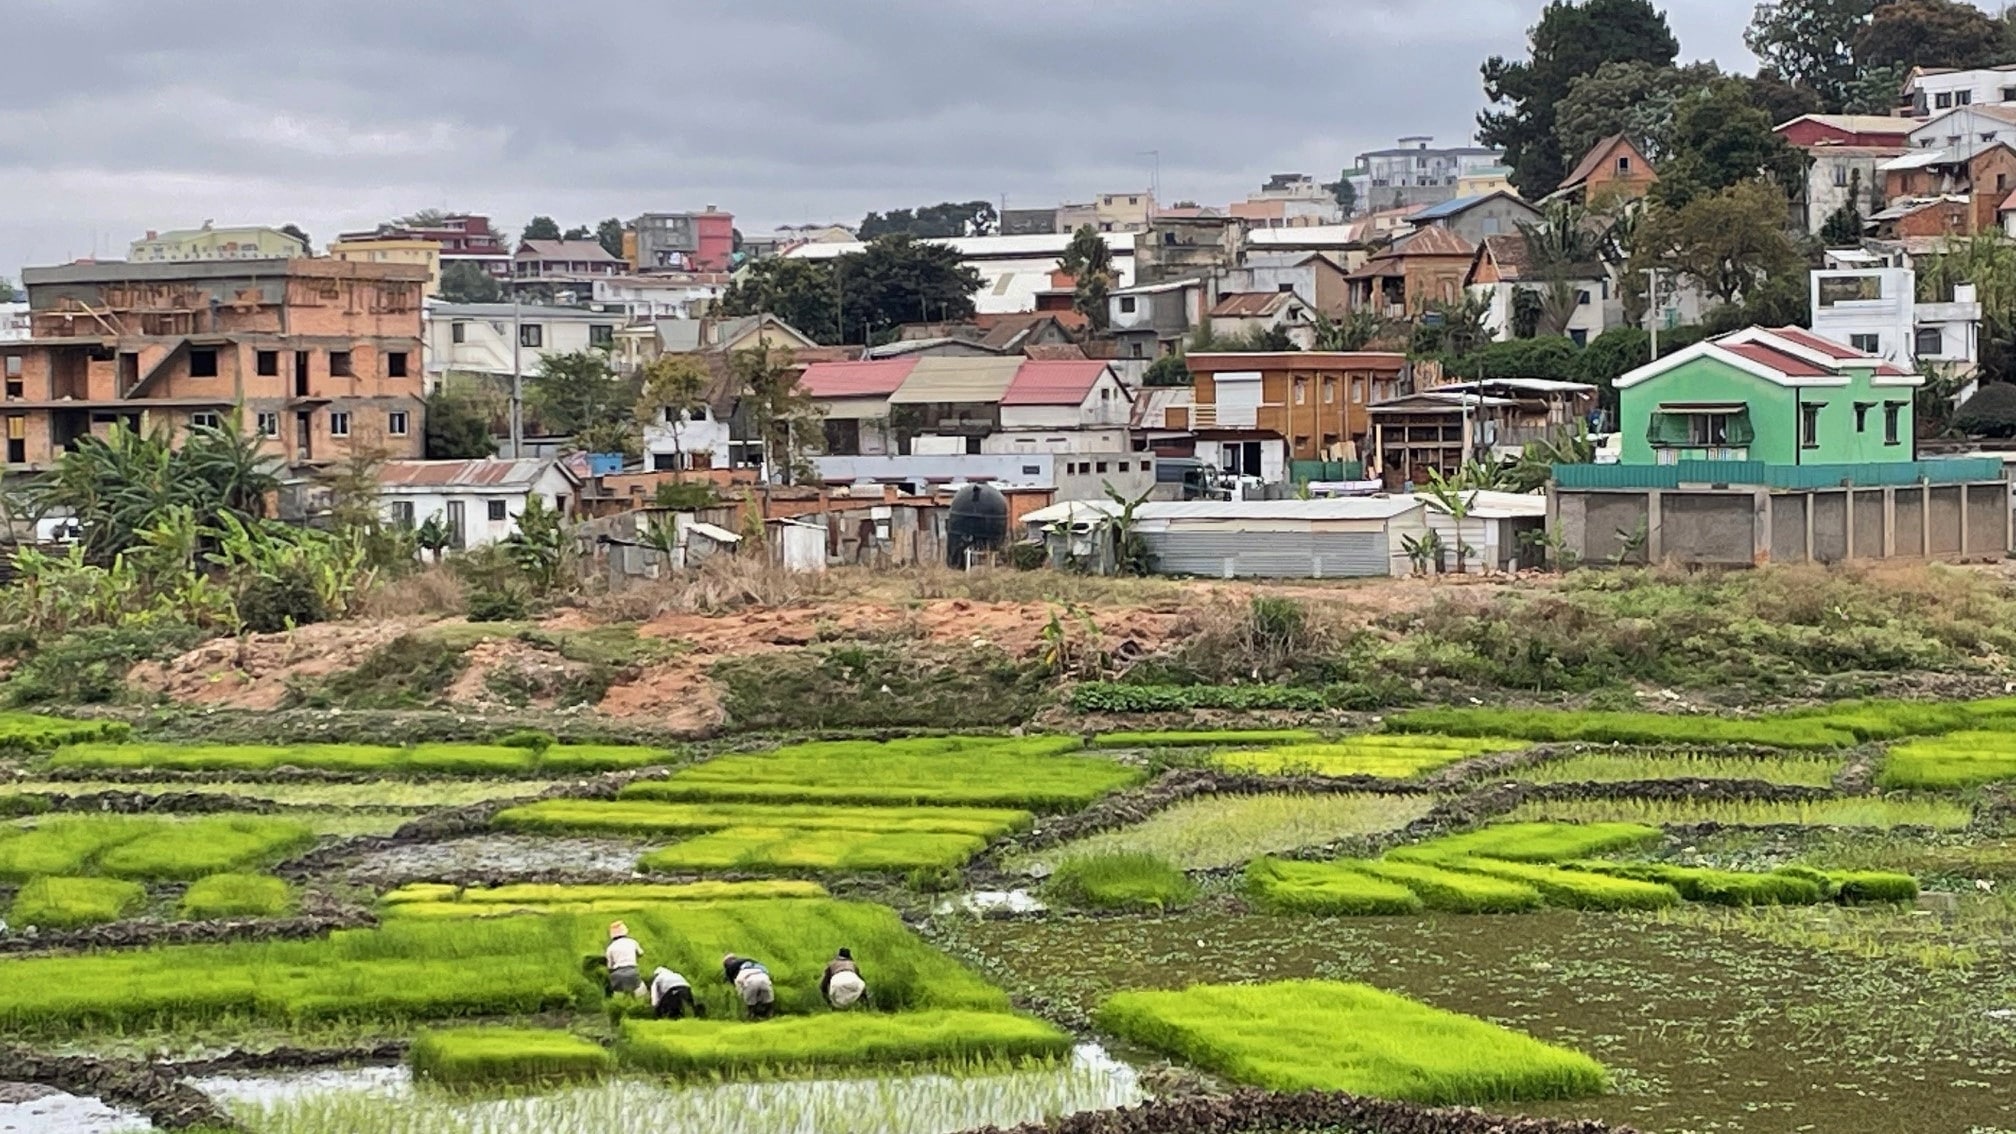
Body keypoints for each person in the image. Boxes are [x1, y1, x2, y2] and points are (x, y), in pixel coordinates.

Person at [721, 952, 776, 1020]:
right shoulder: (750, 961)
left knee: (750, 1005)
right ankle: (769, 1017)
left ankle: (752, 1017)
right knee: (768, 1003)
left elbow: (731, 982)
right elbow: (767, 972)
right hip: (763, 977)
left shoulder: (730, 967)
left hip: (747, 979)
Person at [604, 921, 645, 998]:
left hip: (617, 975)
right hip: (632, 972)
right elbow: (641, 953)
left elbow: (609, 967)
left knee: (619, 996)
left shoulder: (610, 947)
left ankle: (619, 1006)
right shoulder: (632, 942)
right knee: (641, 993)